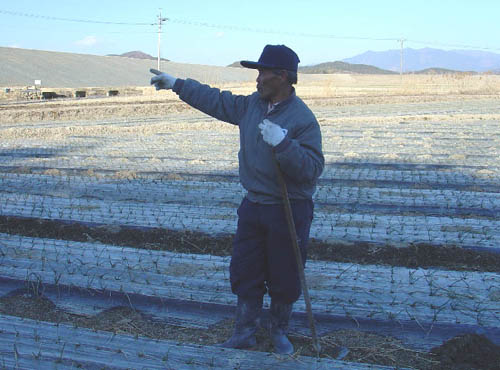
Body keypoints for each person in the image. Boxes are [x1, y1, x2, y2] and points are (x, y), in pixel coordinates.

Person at [150, 44, 324, 355]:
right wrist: (178, 84)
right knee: (246, 271)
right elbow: (216, 100)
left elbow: (311, 170)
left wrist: (284, 144)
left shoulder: (303, 119)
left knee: (285, 274)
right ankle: (244, 332)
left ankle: (279, 333)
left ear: (282, 77)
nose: (257, 79)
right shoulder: (251, 106)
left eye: (262, 72)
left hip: (288, 209)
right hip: (254, 205)